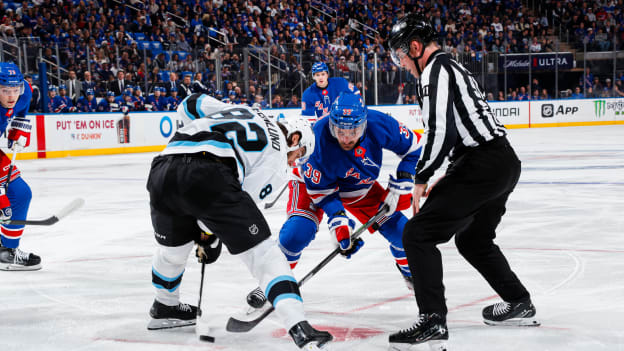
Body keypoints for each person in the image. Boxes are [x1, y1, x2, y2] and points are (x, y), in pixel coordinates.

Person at [387, 13, 539, 350]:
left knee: (417, 233)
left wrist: (422, 177)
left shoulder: (433, 72)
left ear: (414, 47)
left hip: (482, 164)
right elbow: (459, 133)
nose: (401, 63)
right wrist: (450, 172)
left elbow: (441, 131)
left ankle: (432, 321)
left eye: (400, 54)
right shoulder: (451, 67)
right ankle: (519, 301)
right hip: (502, 162)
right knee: (473, 240)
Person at [146, 93, 332, 350]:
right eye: (298, 155)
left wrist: (188, 139)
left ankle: (164, 306)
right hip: (209, 173)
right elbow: (235, 202)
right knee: (265, 255)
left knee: (172, 251)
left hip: (163, 167)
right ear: (295, 139)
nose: (294, 162)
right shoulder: (278, 158)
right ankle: (300, 327)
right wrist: (208, 237)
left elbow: (189, 105)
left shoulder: (246, 109)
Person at [246, 93, 421, 309]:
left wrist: (404, 177)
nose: (346, 138)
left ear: (364, 123)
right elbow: (323, 193)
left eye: (353, 132)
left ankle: (410, 273)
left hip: (360, 189)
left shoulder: (379, 123)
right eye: (340, 131)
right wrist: (339, 223)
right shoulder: (318, 140)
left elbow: (414, 148)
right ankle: (270, 282)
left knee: (403, 235)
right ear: (332, 124)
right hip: (313, 186)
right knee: (296, 233)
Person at [0, 62, 40, 270]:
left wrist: (19, 126)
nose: (11, 96)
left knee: (21, 193)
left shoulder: (24, 92)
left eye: (15, 89)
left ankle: (7, 250)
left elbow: (22, 106)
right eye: (5, 90)